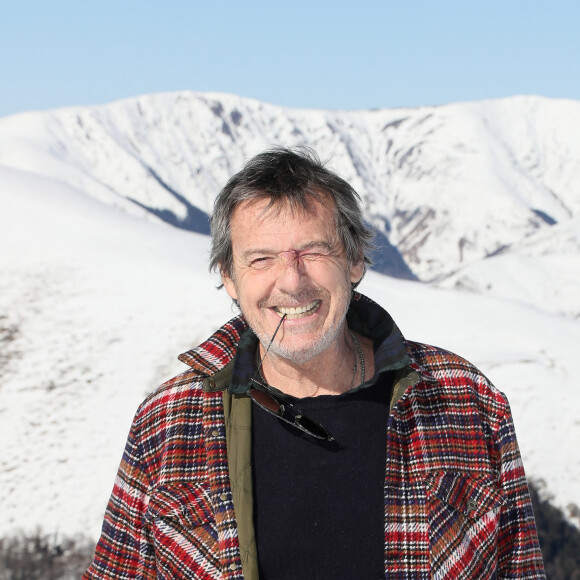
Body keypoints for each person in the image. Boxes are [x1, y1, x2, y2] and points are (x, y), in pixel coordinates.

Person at [84, 148, 545, 579]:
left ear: (355, 260)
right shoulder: (168, 421)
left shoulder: (464, 399)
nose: (292, 280)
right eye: (262, 258)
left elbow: (520, 568)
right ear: (228, 277)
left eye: (314, 251)